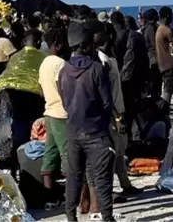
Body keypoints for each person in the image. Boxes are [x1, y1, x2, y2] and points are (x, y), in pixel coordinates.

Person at [59, 22, 116, 222]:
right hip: (96, 132)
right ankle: (107, 218)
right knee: (102, 179)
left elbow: (65, 101)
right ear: (85, 46)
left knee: (73, 178)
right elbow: (107, 103)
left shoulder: (63, 71)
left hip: (73, 131)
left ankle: (70, 216)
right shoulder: (97, 70)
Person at [89, 21, 141, 197]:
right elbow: (106, 92)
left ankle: (125, 184)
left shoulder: (109, 57)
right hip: (112, 113)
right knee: (111, 152)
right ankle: (107, 191)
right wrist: (117, 116)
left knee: (120, 150)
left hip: (118, 108)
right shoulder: (102, 61)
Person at [39, 29, 70, 197]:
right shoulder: (60, 64)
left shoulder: (44, 63)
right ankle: (75, 195)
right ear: (57, 45)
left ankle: (48, 196)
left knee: (50, 153)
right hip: (61, 113)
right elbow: (63, 88)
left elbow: (42, 90)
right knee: (68, 155)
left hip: (49, 111)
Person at [111, 12, 148, 142]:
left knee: (126, 109)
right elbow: (145, 57)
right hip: (138, 76)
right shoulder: (138, 35)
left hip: (124, 78)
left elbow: (115, 59)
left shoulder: (116, 38)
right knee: (138, 107)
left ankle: (130, 138)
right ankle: (141, 134)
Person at [17, 118, 65, 209]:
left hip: (26, 199)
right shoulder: (53, 151)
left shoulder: (20, 150)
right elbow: (57, 174)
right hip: (43, 200)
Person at [155, 7, 173, 106]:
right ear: (167, 16)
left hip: (162, 65)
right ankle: (165, 112)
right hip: (169, 65)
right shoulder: (166, 30)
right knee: (168, 92)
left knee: (166, 89)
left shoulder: (159, 29)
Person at [141, 9, 160, 100]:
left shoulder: (147, 28)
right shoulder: (151, 28)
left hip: (151, 57)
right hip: (153, 57)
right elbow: (154, 44)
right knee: (155, 82)